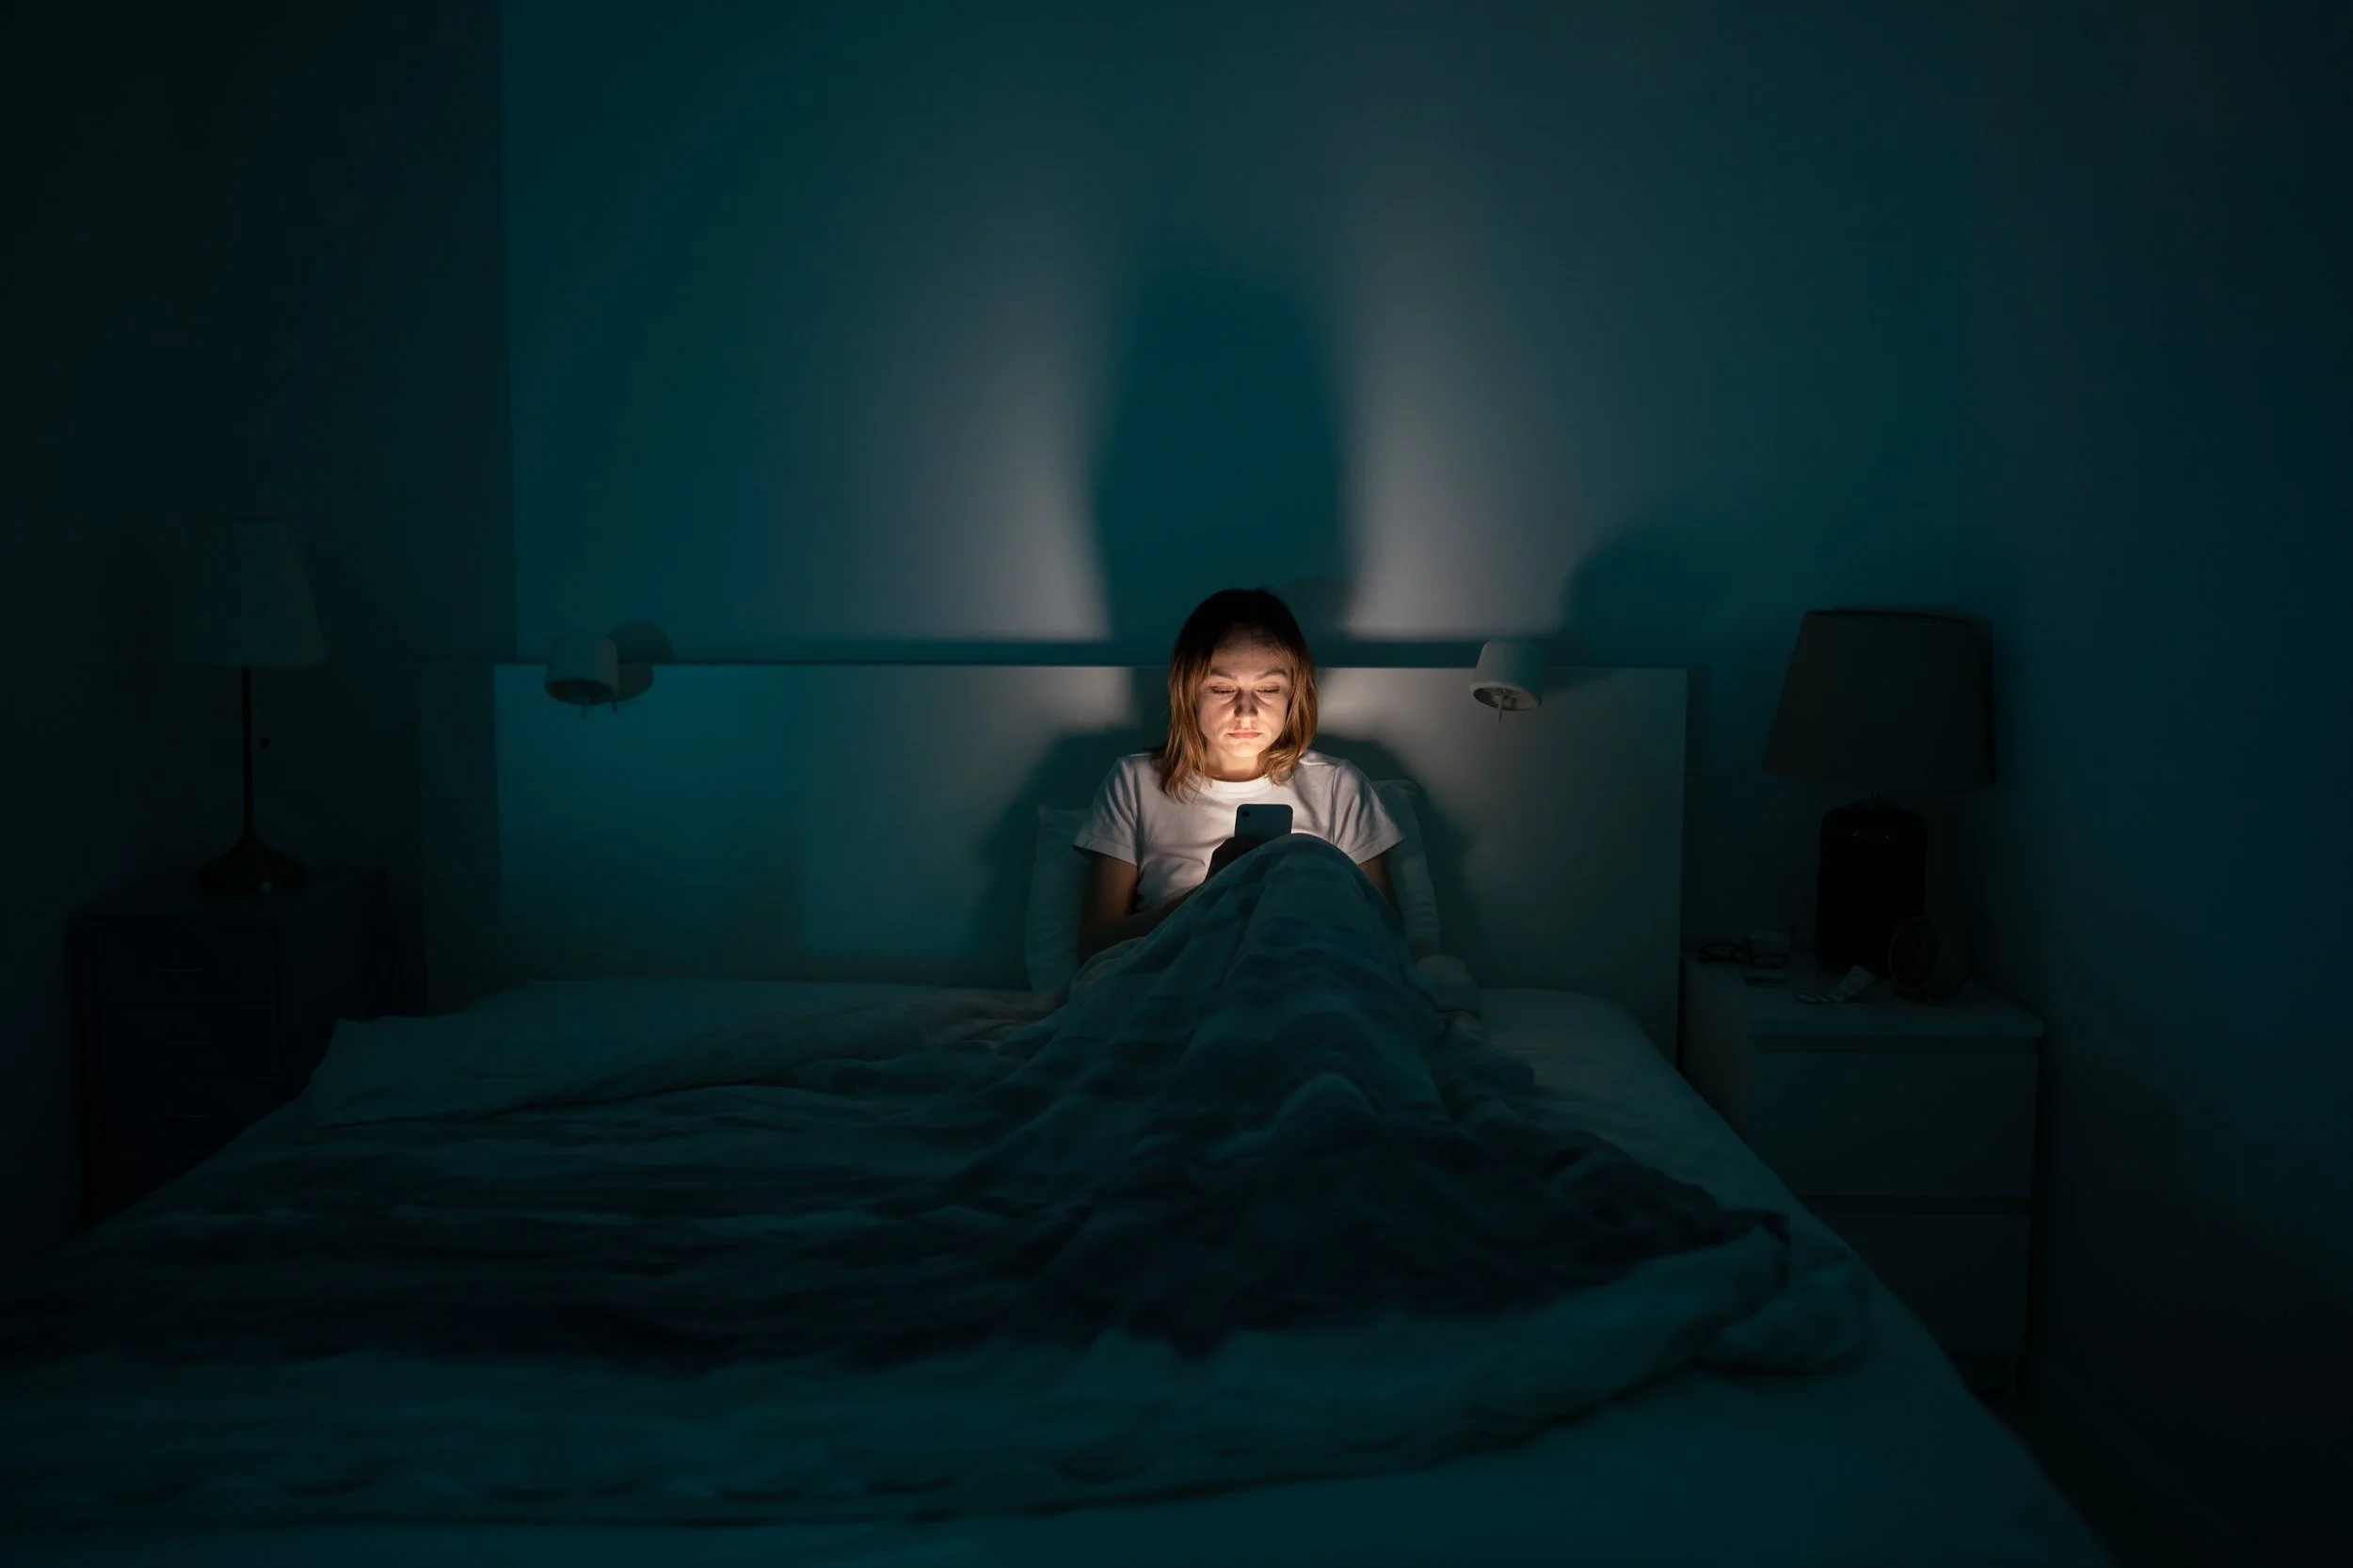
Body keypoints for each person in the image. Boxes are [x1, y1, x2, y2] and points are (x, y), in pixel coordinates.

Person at [1075, 588, 1403, 964]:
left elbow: (1386, 939)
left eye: (1267, 689)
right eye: (1222, 688)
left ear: (1293, 695)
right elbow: (1095, 949)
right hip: (1180, 978)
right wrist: (1212, 894)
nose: (1245, 711)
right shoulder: (1134, 783)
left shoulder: (1337, 787)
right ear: (1189, 692)